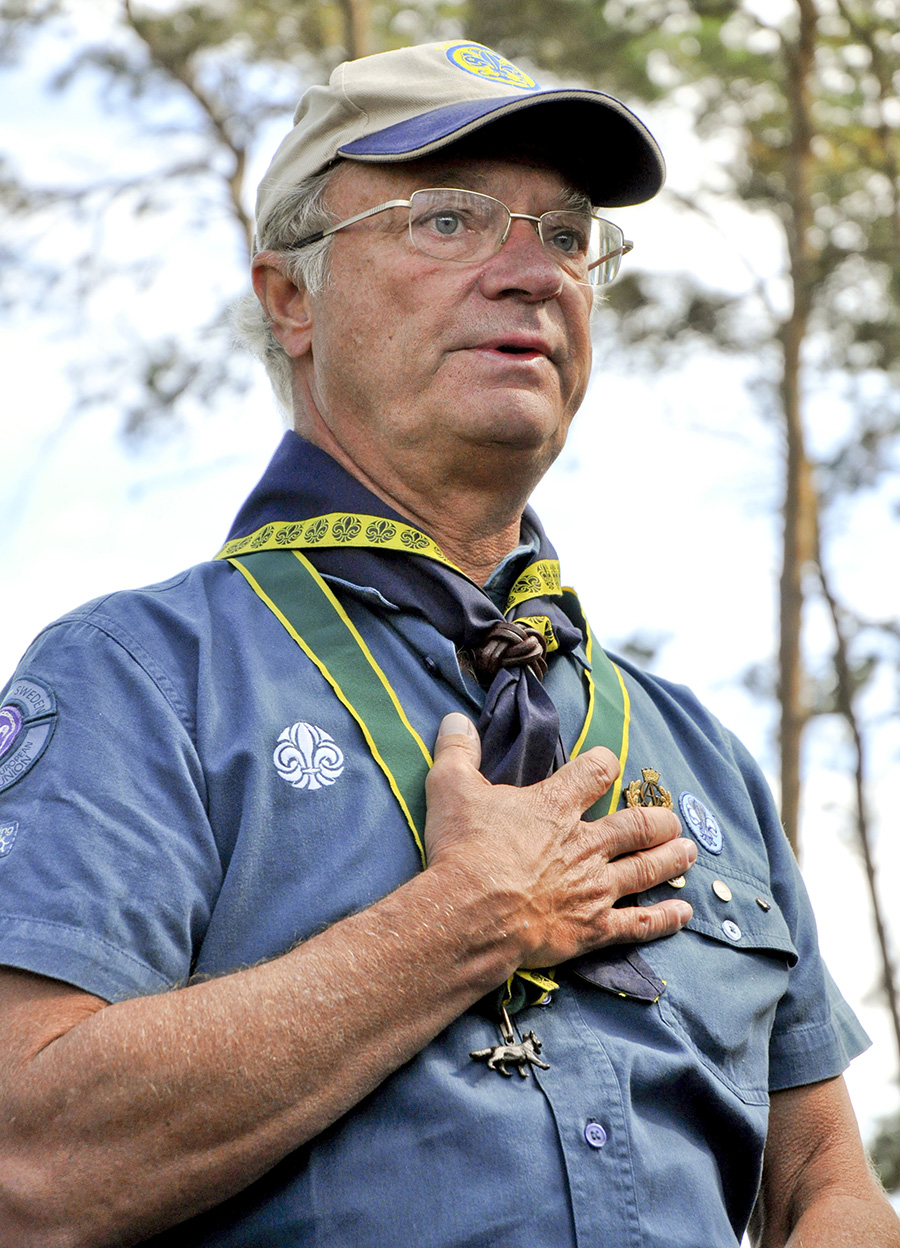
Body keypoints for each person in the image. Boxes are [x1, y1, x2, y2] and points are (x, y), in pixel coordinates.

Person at [0, 39, 896, 1248]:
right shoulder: (143, 681)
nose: (533, 273)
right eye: (451, 221)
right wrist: (465, 920)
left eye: (567, 235)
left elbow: (827, 1180)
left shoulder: (701, 750)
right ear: (291, 297)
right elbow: (29, 1166)